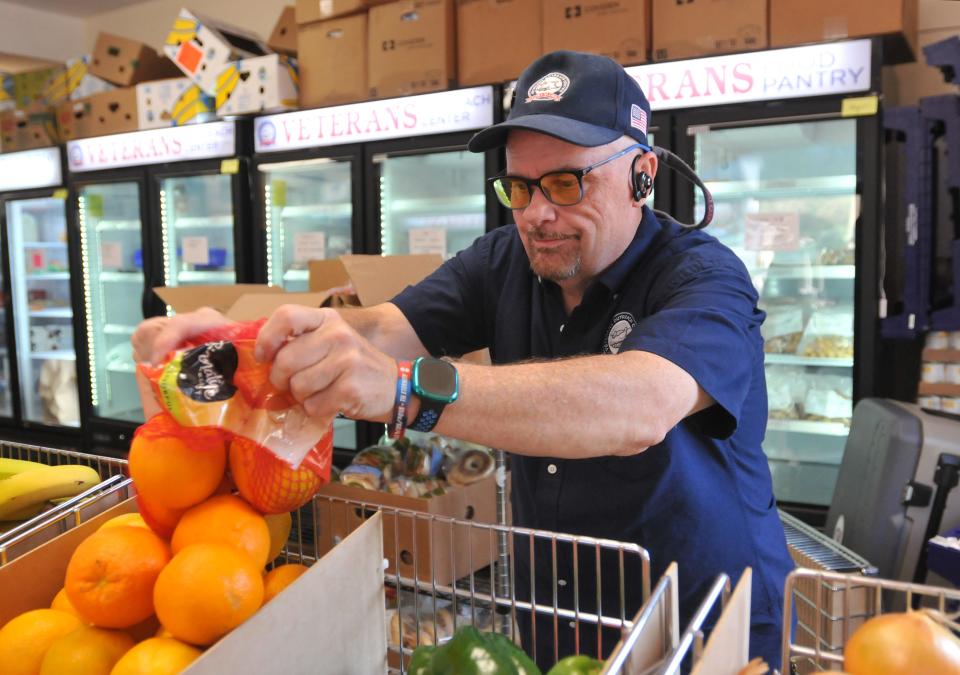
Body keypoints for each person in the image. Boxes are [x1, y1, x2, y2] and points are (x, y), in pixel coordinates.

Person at [133, 50, 795, 669]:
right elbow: (380, 326)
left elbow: (643, 404)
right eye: (519, 187)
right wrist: (243, 337)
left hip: (703, 626)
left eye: (565, 183)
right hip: (557, 619)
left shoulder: (704, 277)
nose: (537, 213)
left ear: (641, 176)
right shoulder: (504, 259)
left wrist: (405, 390)